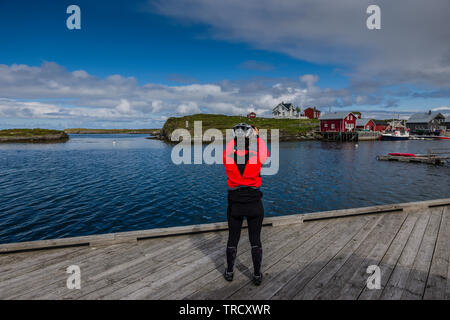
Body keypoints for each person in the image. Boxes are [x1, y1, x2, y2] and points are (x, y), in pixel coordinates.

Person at [222, 123, 269, 285]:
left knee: (232, 239)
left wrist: (236, 136)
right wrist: (256, 135)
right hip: (254, 204)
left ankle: (229, 272)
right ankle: (256, 275)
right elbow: (264, 150)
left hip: (235, 205)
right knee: (255, 239)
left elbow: (230, 145)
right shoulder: (258, 157)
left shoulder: (227, 156)